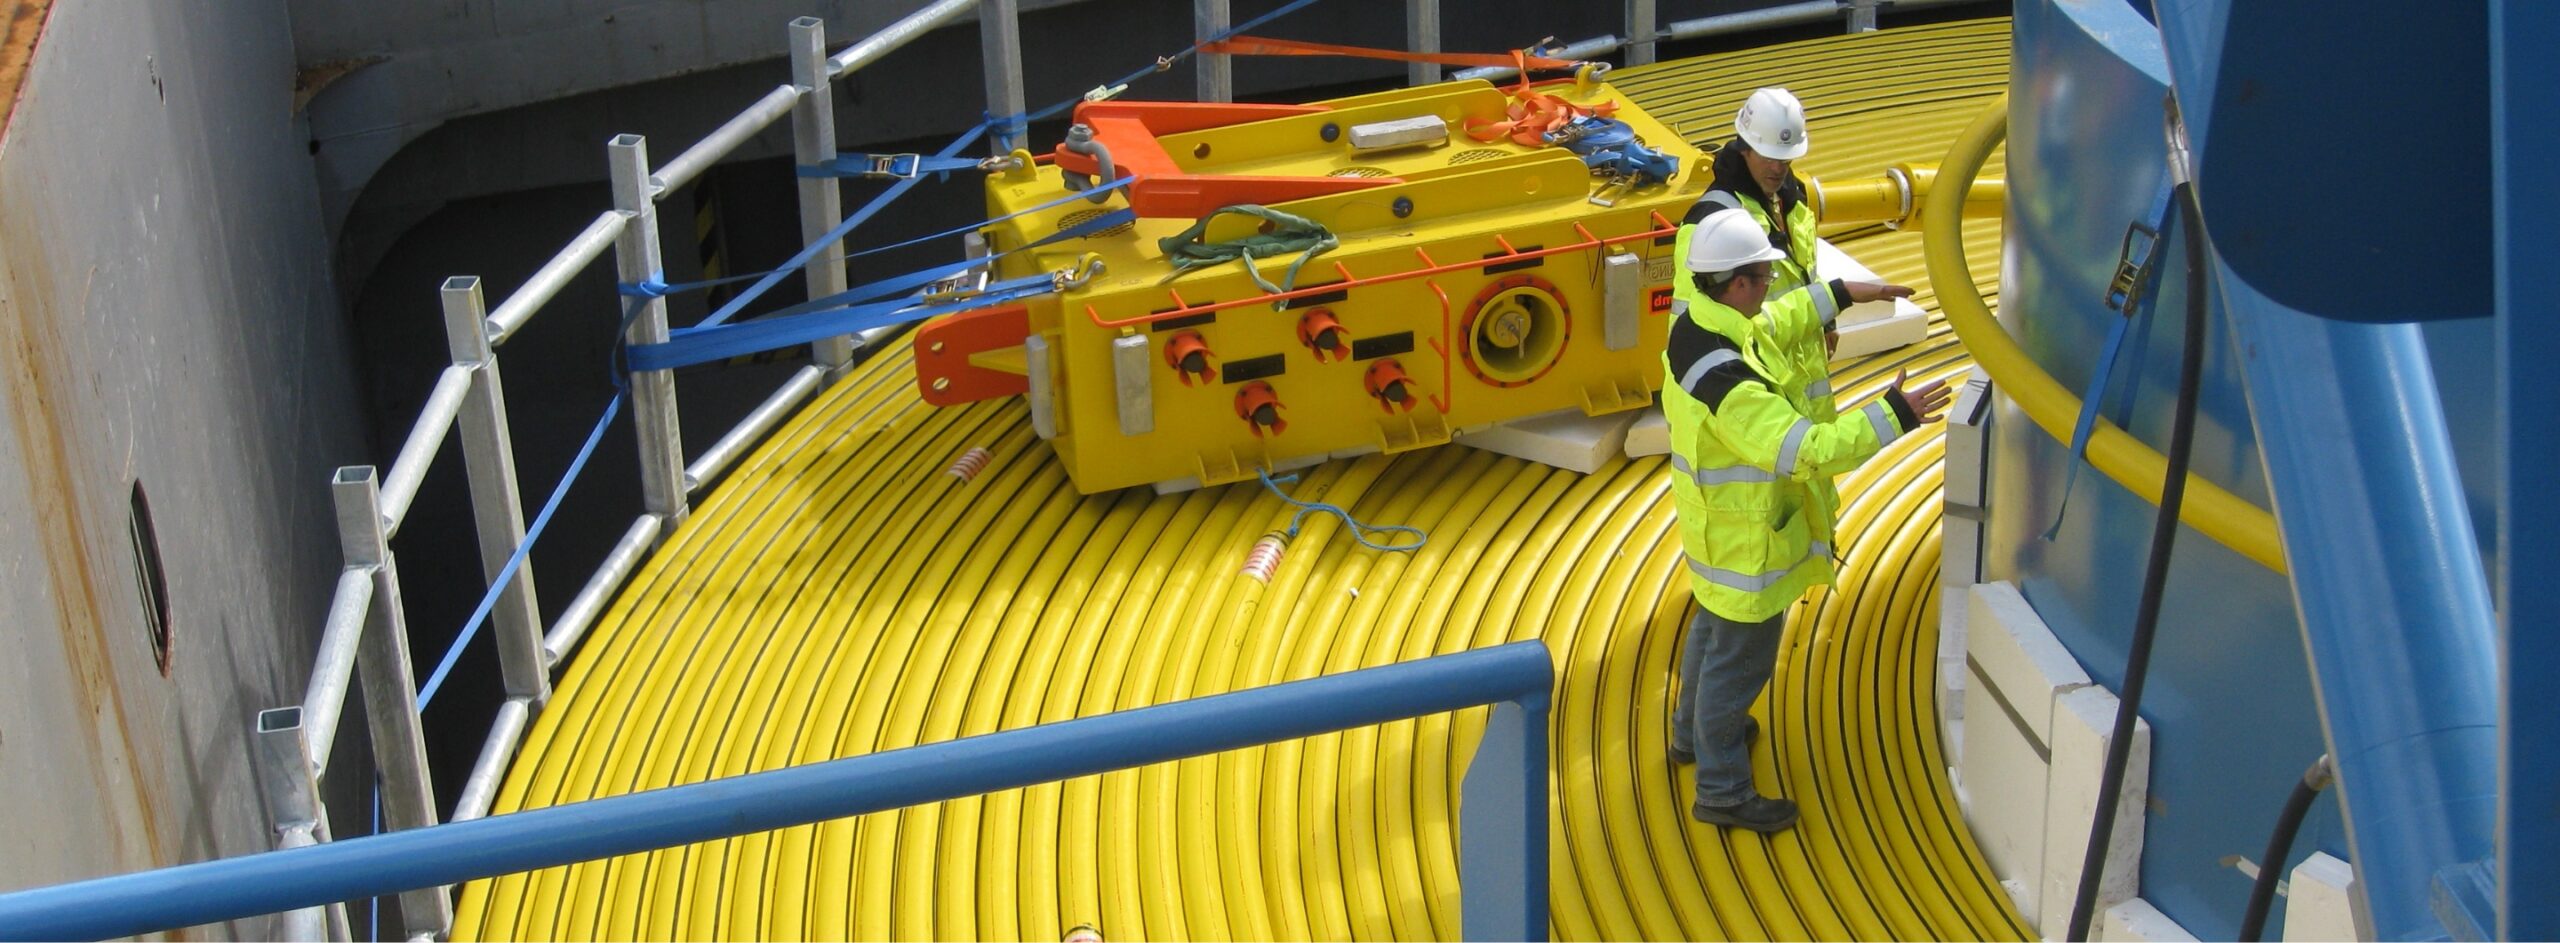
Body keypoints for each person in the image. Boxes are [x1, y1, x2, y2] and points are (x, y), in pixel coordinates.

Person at [1662, 208, 1950, 833]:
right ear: (1735, 281)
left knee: (1712, 636)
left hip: (1719, 530)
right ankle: (1722, 789)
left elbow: (1775, 321)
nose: (1771, 285)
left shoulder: (1700, 321)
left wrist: (1842, 293)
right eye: (1764, 275)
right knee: (1738, 668)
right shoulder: (1729, 384)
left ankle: (1690, 737)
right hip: (1749, 543)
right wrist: (1893, 414)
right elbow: (1804, 451)